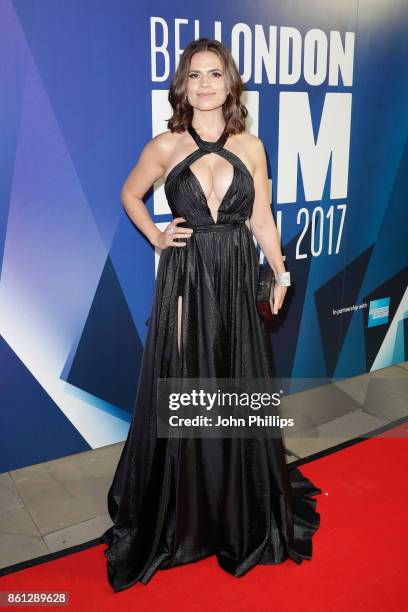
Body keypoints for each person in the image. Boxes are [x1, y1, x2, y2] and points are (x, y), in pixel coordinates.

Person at [101, 37, 321, 592]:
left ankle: (234, 507)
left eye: (215, 74)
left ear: (230, 83)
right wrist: (156, 234)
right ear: (182, 84)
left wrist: (280, 271)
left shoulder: (251, 145)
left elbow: (263, 217)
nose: (204, 84)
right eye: (194, 74)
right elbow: (130, 194)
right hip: (186, 278)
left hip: (235, 277)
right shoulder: (165, 145)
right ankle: (184, 514)